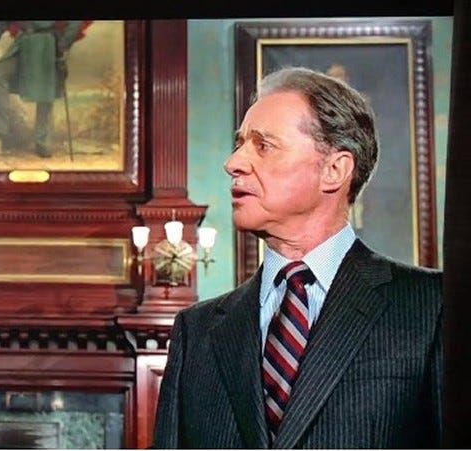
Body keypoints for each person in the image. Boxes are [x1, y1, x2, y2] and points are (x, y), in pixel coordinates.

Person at [152, 67, 442, 448]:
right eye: (240, 144)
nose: (234, 162)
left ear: (334, 170)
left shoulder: (432, 306)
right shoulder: (196, 332)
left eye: (263, 145)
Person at [0, 21, 89, 158]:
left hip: (46, 44)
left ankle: (43, 142)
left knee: (45, 92)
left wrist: (63, 45)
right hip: (23, 43)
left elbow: (74, 22)